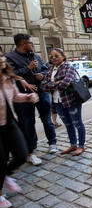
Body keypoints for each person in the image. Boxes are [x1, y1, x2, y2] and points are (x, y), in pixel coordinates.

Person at [4, 34, 57, 164]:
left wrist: (42, 75)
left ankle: (52, 143)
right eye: (30, 43)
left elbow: (46, 70)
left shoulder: (36, 56)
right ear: (23, 44)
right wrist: (28, 69)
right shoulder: (9, 58)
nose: (32, 45)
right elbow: (12, 75)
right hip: (24, 95)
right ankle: (32, 148)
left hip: (41, 92)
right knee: (28, 122)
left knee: (47, 119)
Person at [0, 53, 39, 208]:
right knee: (0, 159)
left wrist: (28, 97)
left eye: (1, 55)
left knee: (22, 155)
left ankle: (5, 175)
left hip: (10, 122)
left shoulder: (8, 77)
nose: (2, 59)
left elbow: (15, 97)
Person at [41, 48, 86, 156]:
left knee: (77, 123)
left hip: (71, 101)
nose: (53, 58)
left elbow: (65, 84)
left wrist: (53, 84)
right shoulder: (51, 69)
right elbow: (43, 86)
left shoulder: (69, 67)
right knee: (68, 124)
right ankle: (73, 144)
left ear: (63, 56)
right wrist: (56, 83)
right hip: (57, 102)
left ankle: (81, 146)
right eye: (51, 56)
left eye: (56, 55)